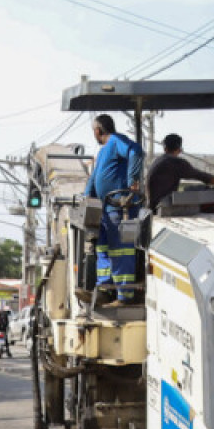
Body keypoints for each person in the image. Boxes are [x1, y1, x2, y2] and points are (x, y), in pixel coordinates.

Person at [83, 114, 144, 304]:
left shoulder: (117, 141)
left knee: (120, 251)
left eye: (94, 130)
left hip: (120, 207)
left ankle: (124, 296)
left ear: (98, 130)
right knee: (102, 248)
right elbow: (94, 178)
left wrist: (133, 180)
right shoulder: (102, 152)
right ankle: (104, 290)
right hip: (105, 210)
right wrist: (87, 196)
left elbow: (136, 151)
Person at [146, 133, 214, 211]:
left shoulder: (158, 160)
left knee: (193, 189)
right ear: (179, 149)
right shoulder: (175, 162)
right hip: (163, 206)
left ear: (165, 148)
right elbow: (204, 177)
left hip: (153, 205)